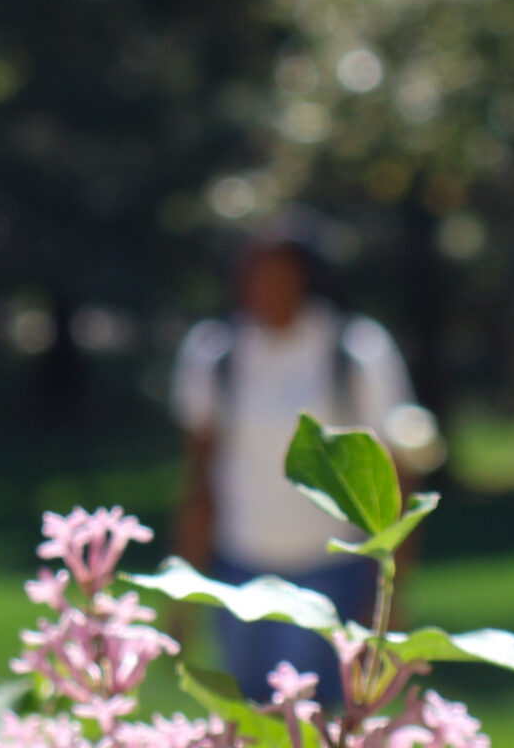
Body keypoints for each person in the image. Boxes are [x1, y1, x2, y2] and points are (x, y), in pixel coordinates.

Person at [171, 211, 426, 710]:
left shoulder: (355, 351)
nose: (263, 286)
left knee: (320, 716)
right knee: (248, 716)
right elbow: (199, 477)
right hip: (239, 565)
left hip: (331, 568)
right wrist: (182, 594)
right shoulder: (216, 354)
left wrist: (391, 594)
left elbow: (398, 473)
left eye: (277, 272)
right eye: (254, 271)